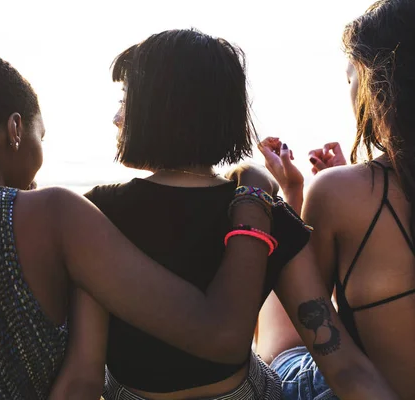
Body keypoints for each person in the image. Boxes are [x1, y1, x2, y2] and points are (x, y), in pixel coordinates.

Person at [0, 54, 284, 400]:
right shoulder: (53, 215)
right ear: (15, 129)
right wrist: (254, 193)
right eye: (40, 135)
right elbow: (221, 335)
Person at [50, 29, 397, 400]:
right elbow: (343, 365)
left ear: (159, 109)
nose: (116, 118)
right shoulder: (267, 214)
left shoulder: (98, 214)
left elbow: (84, 375)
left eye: (125, 100)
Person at [257, 1, 415, 399]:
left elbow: (313, 324)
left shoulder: (338, 192)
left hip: (368, 388)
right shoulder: (349, 191)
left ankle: (288, 200)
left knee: (281, 354)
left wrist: (298, 197)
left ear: (379, 85)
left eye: (351, 77)